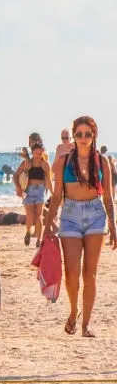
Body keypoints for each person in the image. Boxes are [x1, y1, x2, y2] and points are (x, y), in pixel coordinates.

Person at [44, 115, 116, 338]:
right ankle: (73, 311)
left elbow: (108, 198)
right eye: (79, 134)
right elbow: (56, 196)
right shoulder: (64, 161)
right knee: (71, 272)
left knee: (90, 273)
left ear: (94, 136)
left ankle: (85, 324)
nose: (83, 138)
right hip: (70, 216)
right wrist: (48, 223)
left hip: (96, 215)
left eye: (88, 134)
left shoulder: (102, 162)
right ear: (73, 136)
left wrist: (113, 225)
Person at [13, 143, 52, 246]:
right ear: (32, 152)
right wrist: (18, 187)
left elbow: (48, 181)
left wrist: (54, 194)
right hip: (28, 191)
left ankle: (39, 240)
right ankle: (28, 231)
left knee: (39, 215)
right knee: (30, 215)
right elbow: (16, 176)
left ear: (43, 153)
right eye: (36, 153)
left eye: (40, 153)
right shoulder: (27, 163)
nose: (38, 155)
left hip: (40, 191)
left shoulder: (45, 164)